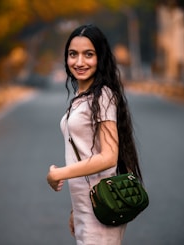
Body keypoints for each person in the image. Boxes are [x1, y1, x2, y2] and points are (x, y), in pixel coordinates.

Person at [47, 24, 143, 245]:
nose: (79, 62)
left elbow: (108, 157)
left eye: (88, 54)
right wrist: (76, 208)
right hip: (88, 205)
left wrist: (60, 173)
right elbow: (84, 151)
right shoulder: (84, 96)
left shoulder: (103, 96)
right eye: (73, 54)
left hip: (103, 205)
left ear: (100, 57)